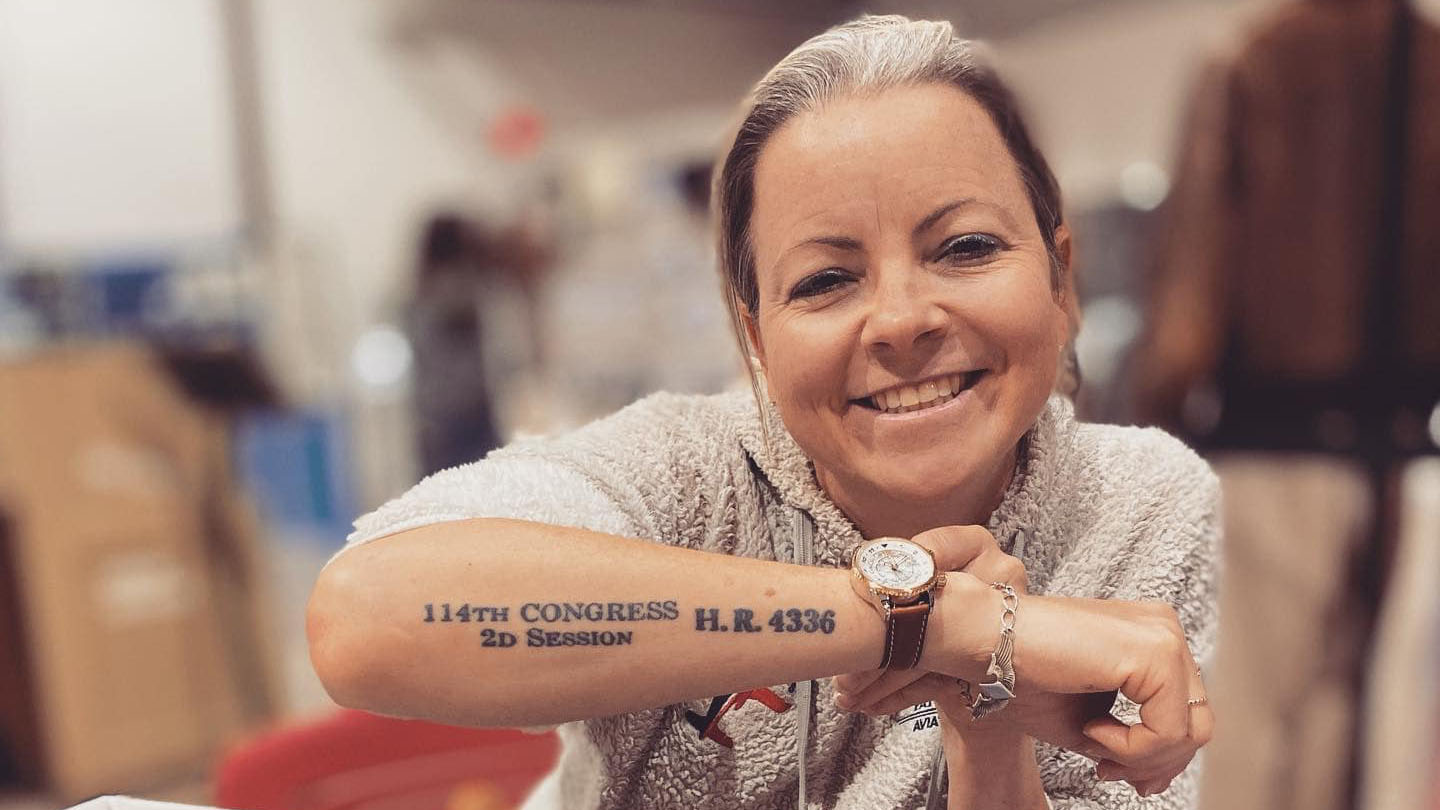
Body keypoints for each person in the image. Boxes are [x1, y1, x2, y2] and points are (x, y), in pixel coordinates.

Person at [308, 15, 1218, 810]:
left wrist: (986, 725)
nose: (901, 320)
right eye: (826, 280)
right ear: (756, 337)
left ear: (1063, 279)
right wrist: (935, 623)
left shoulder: (1140, 505)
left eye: (966, 247)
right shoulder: (685, 475)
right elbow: (367, 616)